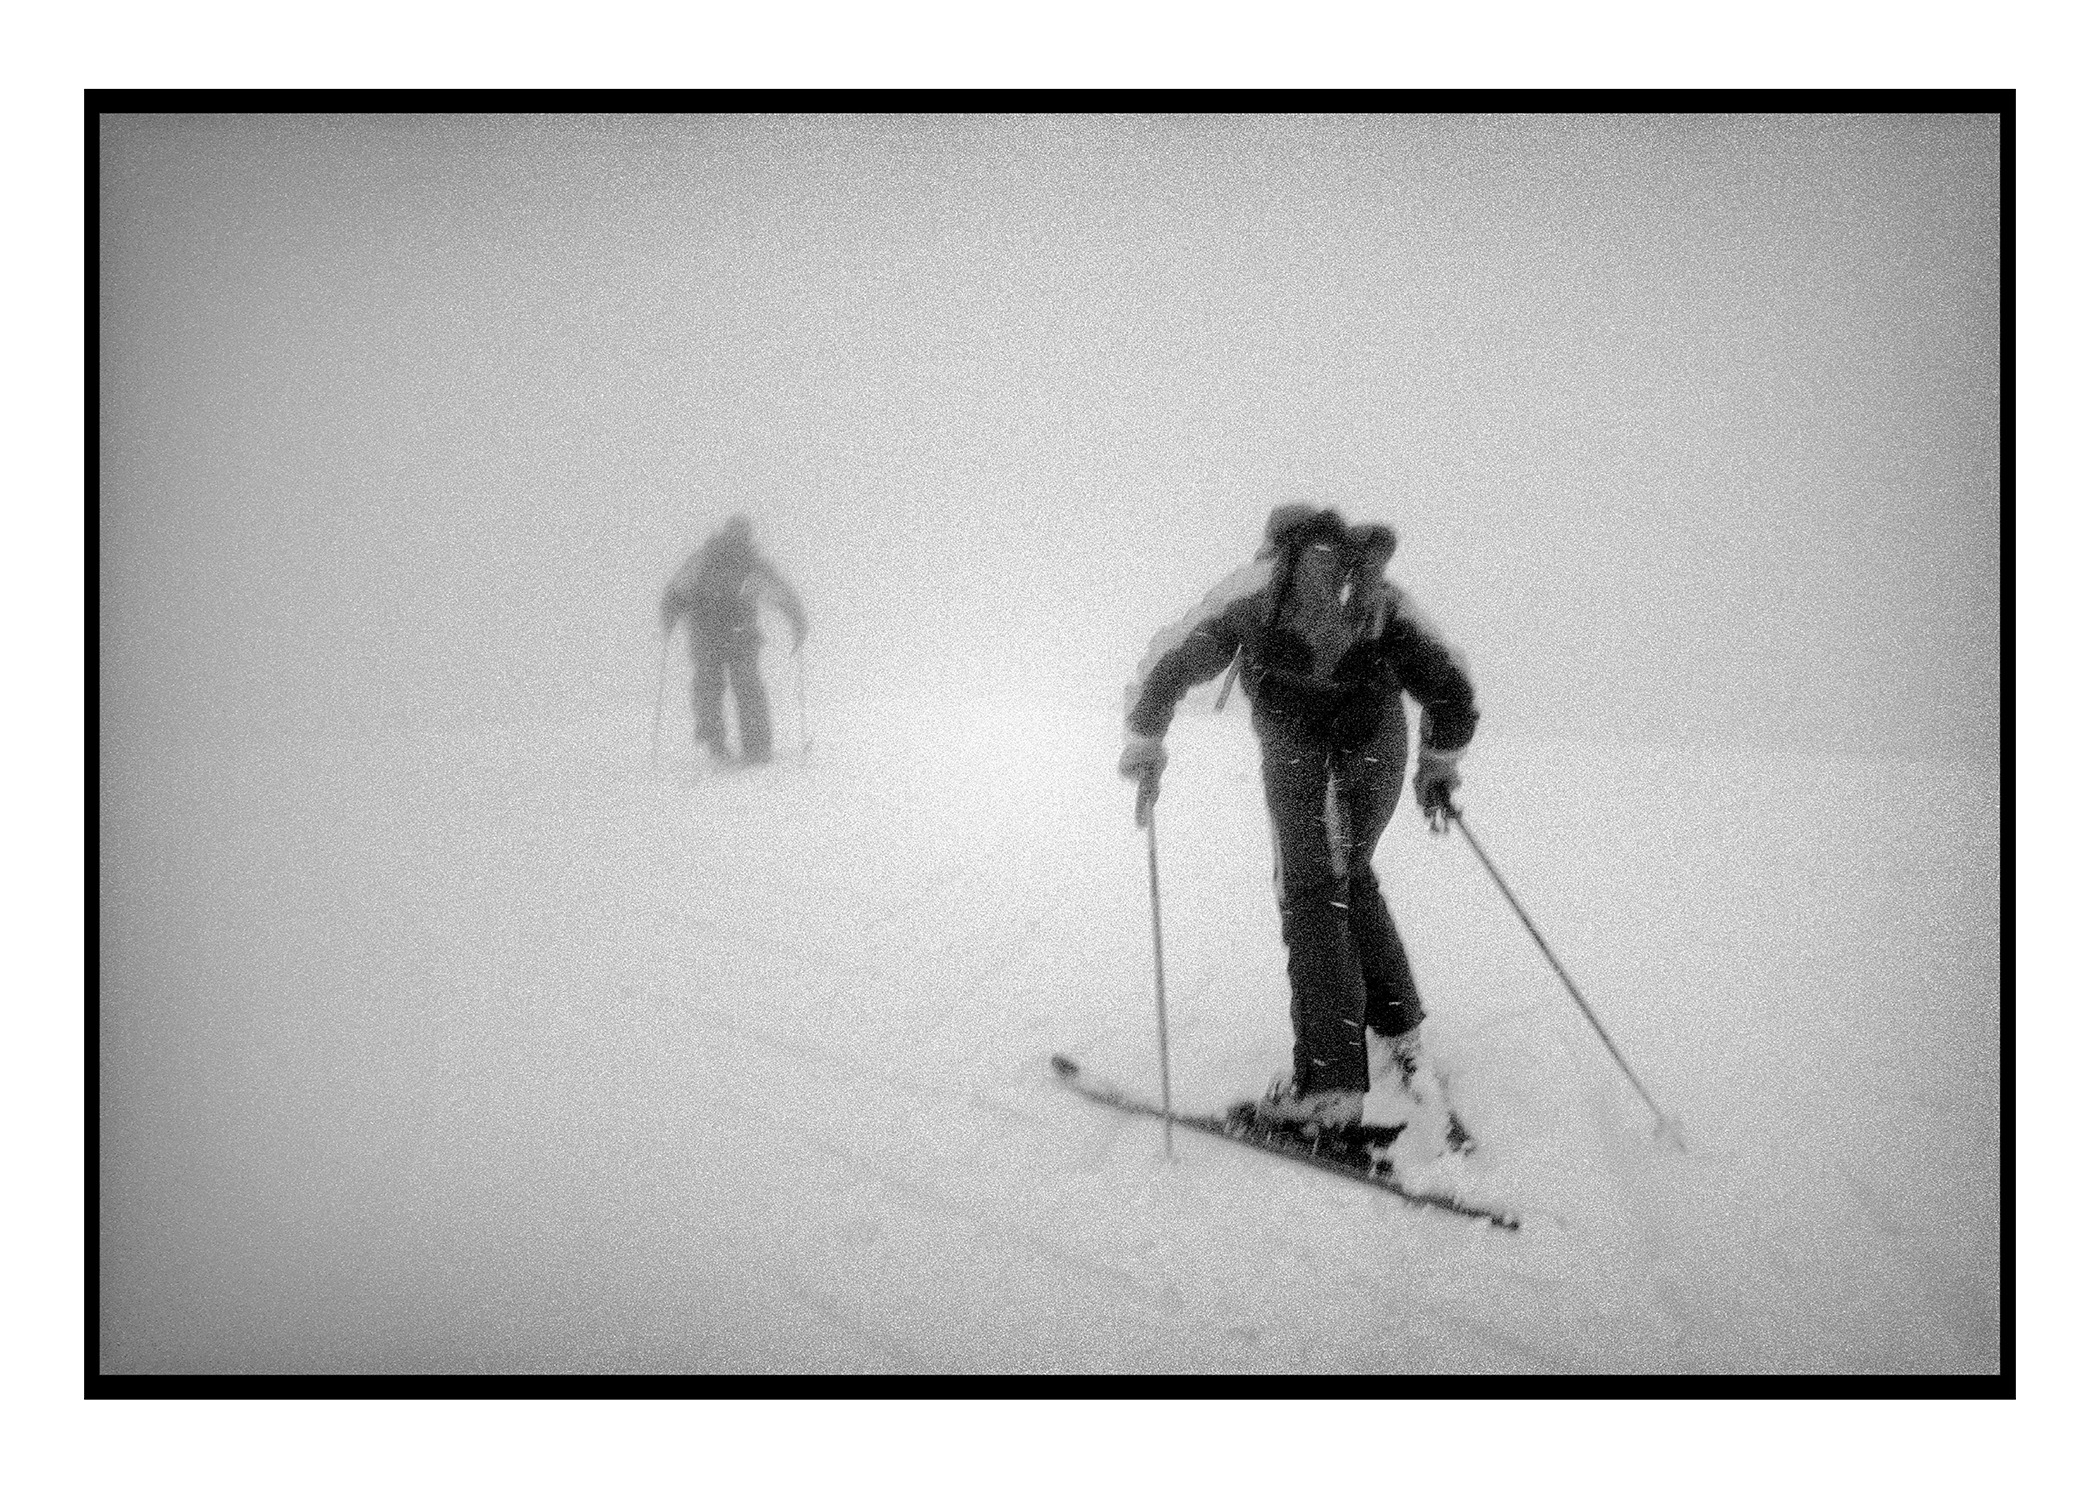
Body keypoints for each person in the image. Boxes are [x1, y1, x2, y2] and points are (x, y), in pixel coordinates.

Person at [1119, 503, 1478, 1133]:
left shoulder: (1258, 586)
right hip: (1376, 740)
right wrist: (1439, 761)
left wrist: (1147, 739)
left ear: (1274, 544)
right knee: (1349, 872)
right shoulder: (1375, 590)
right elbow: (1446, 678)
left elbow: (1170, 660)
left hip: (1297, 745)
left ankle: (1329, 1086)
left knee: (1311, 889)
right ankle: (1396, 1024)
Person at [660, 515, 809, 765]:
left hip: (708, 636)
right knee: (746, 689)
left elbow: (676, 591)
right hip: (738, 636)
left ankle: (716, 745)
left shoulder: (706, 559)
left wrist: (669, 618)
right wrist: (797, 622)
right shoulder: (751, 564)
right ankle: (755, 748)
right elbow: (782, 595)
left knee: (710, 689)